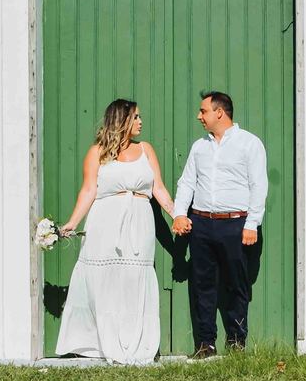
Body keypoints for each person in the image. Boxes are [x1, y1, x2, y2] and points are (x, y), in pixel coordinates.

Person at [55, 99, 177, 364]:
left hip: (140, 221)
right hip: (105, 221)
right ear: (121, 121)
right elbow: (89, 190)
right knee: (105, 280)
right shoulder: (97, 153)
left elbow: (158, 188)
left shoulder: (146, 150)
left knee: (134, 278)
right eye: (135, 117)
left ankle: (135, 343)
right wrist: (72, 223)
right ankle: (98, 342)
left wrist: (176, 214)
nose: (140, 122)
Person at [172, 91, 268, 359]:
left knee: (236, 285)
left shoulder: (249, 144)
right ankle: (206, 344)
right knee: (203, 285)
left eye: (203, 111)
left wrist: (252, 224)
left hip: (235, 224)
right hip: (201, 223)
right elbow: (187, 182)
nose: (199, 116)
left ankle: (237, 344)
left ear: (219, 112)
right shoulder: (199, 147)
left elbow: (258, 186)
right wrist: (180, 213)